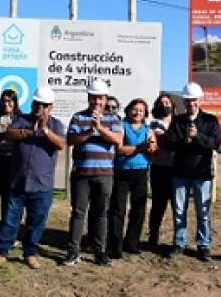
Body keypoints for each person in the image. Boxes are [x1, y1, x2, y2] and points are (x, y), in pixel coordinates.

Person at [0, 86, 66, 269]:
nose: (40, 108)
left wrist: (45, 131)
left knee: (36, 221)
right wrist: (30, 131)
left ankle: (30, 253)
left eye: (44, 105)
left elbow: (61, 144)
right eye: (37, 104)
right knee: (9, 220)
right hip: (17, 182)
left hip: (42, 185)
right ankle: (1, 253)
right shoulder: (21, 120)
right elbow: (9, 134)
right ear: (33, 103)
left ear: (50, 107)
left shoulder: (56, 124)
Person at [62, 80, 122, 267]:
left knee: (101, 213)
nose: (97, 101)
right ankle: (73, 252)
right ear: (89, 98)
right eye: (94, 97)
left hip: (104, 174)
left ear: (105, 99)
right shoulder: (78, 117)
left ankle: (100, 252)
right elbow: (71, 140)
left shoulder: (114, 119)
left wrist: (100, 128)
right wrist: (90, 130)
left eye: (100, 98)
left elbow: (118, 140)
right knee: (78, 213)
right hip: (82, 174)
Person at [167, 82, 221, 262]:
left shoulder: (210, 120)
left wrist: (198, 136)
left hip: (202, 173)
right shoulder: (178, 121)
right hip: (180, 172)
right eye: (188, 101)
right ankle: (179, 243)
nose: (191, 104)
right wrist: (185, 139)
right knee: (179, 210)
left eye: (194, 101)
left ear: (200, 100)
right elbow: (170, 143)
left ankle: (203, 245)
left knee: (203, 211)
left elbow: (216, 143)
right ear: (184, 101)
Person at [107, 98, 157, 259]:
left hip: (141, 172)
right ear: (128, 110)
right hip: (122, 172)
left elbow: (153, 149)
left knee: (139, 210)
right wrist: (141, 147)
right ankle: (115, 245)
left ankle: (132, 242)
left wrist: (152, 148)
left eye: (141, 111)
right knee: (118, 209)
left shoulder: (148, 130)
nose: (137, 113)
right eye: (134, 109)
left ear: (145, 114)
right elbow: (120, 149)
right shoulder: (122, 126)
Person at [147, 93, 177, 250]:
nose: (165, 105)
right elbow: (164, 141)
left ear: (172, 105)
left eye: (167, 102)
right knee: (158, 204)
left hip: (177, 168)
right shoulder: (154, 124)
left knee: (177, 206)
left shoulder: (178, 122)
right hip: (159, 168)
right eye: (161, 103)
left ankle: (178, 239)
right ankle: (153, 235)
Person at [0, 89, 21, 223]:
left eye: (9, 101)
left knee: (16, 194)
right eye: (3, 101)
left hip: (16, 160)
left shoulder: (21, 118)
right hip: (1, 159)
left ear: (15, 102)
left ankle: (15, 226)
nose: (6, 103)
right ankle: (4, 224)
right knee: (4, 194)